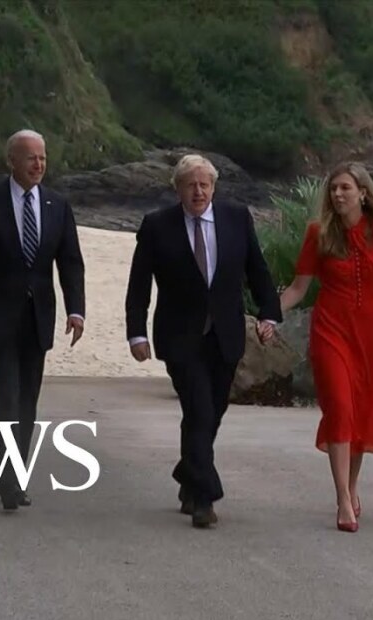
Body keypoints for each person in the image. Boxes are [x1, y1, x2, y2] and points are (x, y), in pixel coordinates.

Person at [125, 154, 282, 529]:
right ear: (177, 188)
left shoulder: (236, 218)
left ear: (214, 187)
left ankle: (189, 475)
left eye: (204, 185)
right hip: (179, 336)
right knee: (198, 409)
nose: (198, 191)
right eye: (190, 185)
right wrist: (136, 333)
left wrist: (269, 313)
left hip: (225, 334)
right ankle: (205, 497)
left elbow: (257, 270)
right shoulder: (157, 225)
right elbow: (139, 284)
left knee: (211, 412)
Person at [279, 161, 373, 533]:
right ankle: (343, 499)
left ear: (363, 193)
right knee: (341, 407)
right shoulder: (318, 233)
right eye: (334, 189)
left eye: (345, 187)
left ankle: (352, 485)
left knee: (360, 412)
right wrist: (269, 315)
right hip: (330, 329)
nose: (337, 194)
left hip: (369, 332)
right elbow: (298, 288)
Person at [0, 129, 87, 511]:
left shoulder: (57, 205)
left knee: (28, 400)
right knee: (8, 396)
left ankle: (14, 474)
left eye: (42, 157)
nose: (38, 164)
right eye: (31, 158)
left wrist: (76, 310)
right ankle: (9, 481)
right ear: (11, 160)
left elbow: (70, 263)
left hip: (38, 317)